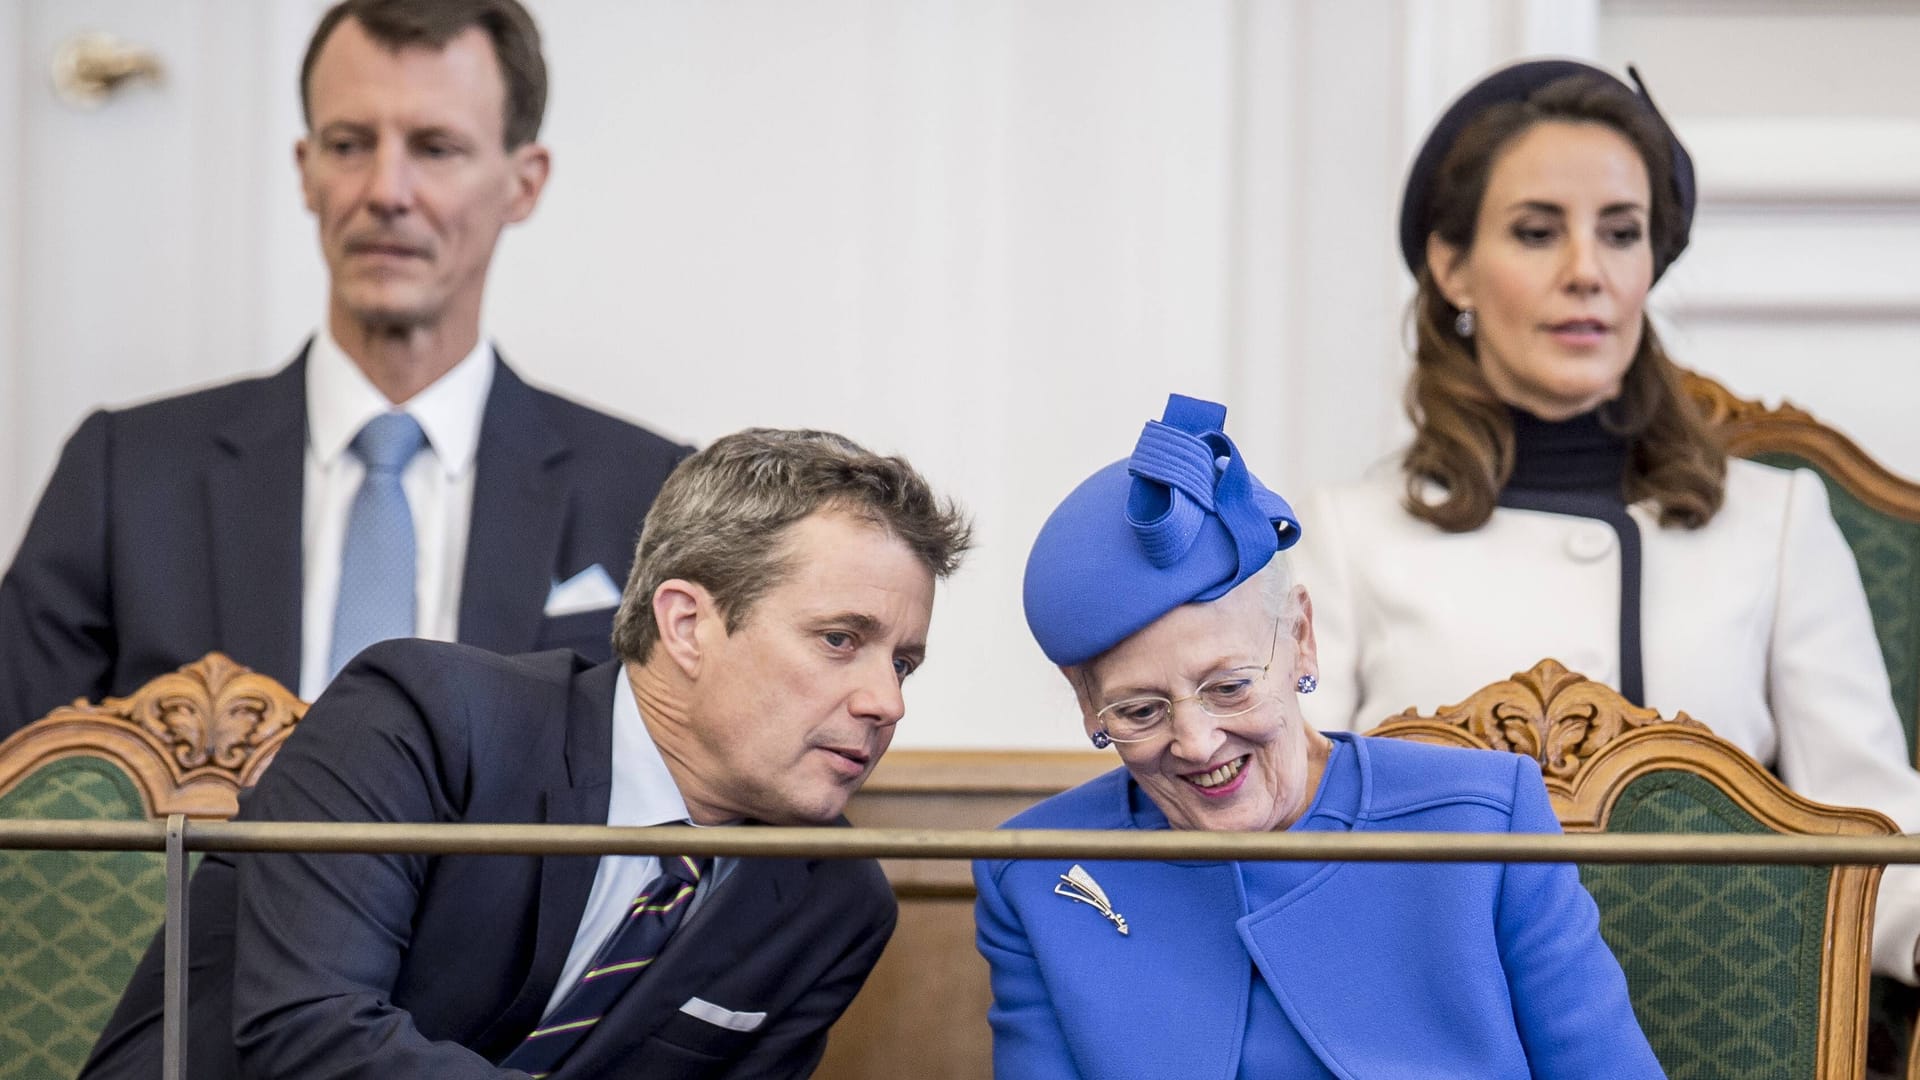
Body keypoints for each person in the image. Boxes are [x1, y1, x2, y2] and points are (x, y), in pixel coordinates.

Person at [79, 425, 973, 1079]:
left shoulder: (835, 902)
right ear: (689, 624)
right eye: (839, 640)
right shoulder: (422, 718)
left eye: (903, 662)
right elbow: (310, 1039)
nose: (885, 702)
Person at [1290, 57, 1920, 984]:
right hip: (1436, 1023)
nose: (1587, 272)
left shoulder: (1776, 521)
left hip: (1723, 1019)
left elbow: (1874, 831)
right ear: (1452, 266)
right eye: (1538, 232)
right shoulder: (1348, 538)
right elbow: (1293, 841)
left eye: (1621, 233)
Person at [0, 0, 690, 736]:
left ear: (524, 183)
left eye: (435, 148)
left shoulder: (652, 496)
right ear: (306, 171)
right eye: (350, 143)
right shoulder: (126, 476)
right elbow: (22, 803)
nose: (386, 192)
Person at [974, 393, 1660, 1078]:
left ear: (1300, 638)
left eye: (1229, 687)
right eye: (1141, 711)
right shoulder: (1039, 873)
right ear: (1087, 702)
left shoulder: (1484, 817)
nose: (1197, 742)